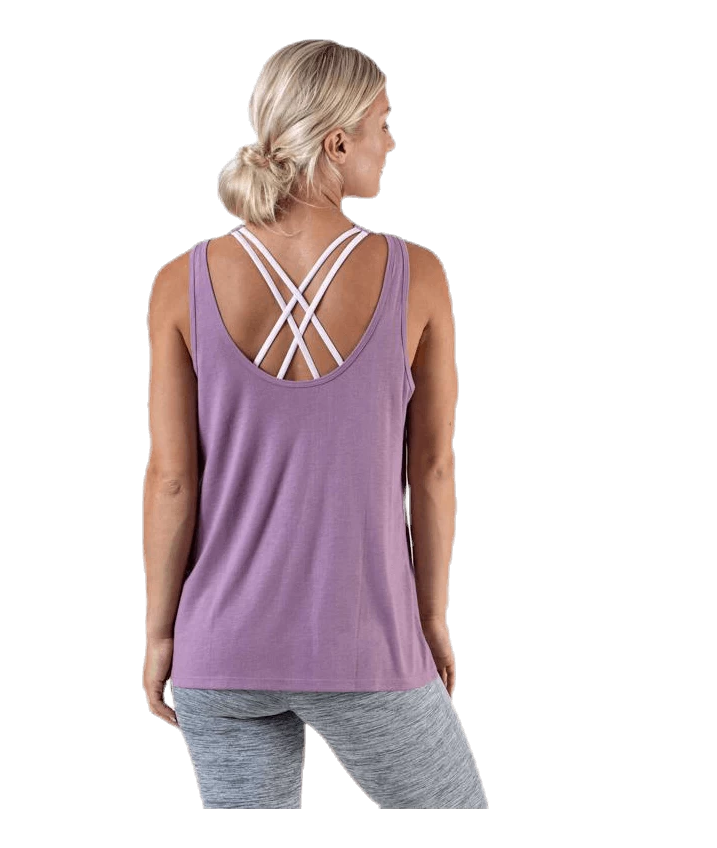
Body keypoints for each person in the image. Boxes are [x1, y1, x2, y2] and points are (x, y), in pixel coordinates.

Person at [142, 38, 489, 809]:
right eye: (383, 124)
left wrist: (162, 634)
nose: (391, 144)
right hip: (366, 646)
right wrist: (430, 616)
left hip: (219, 652)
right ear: (337, 143)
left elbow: (170, 478)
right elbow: (432, 468)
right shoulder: (419, 275)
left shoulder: (178, 282)